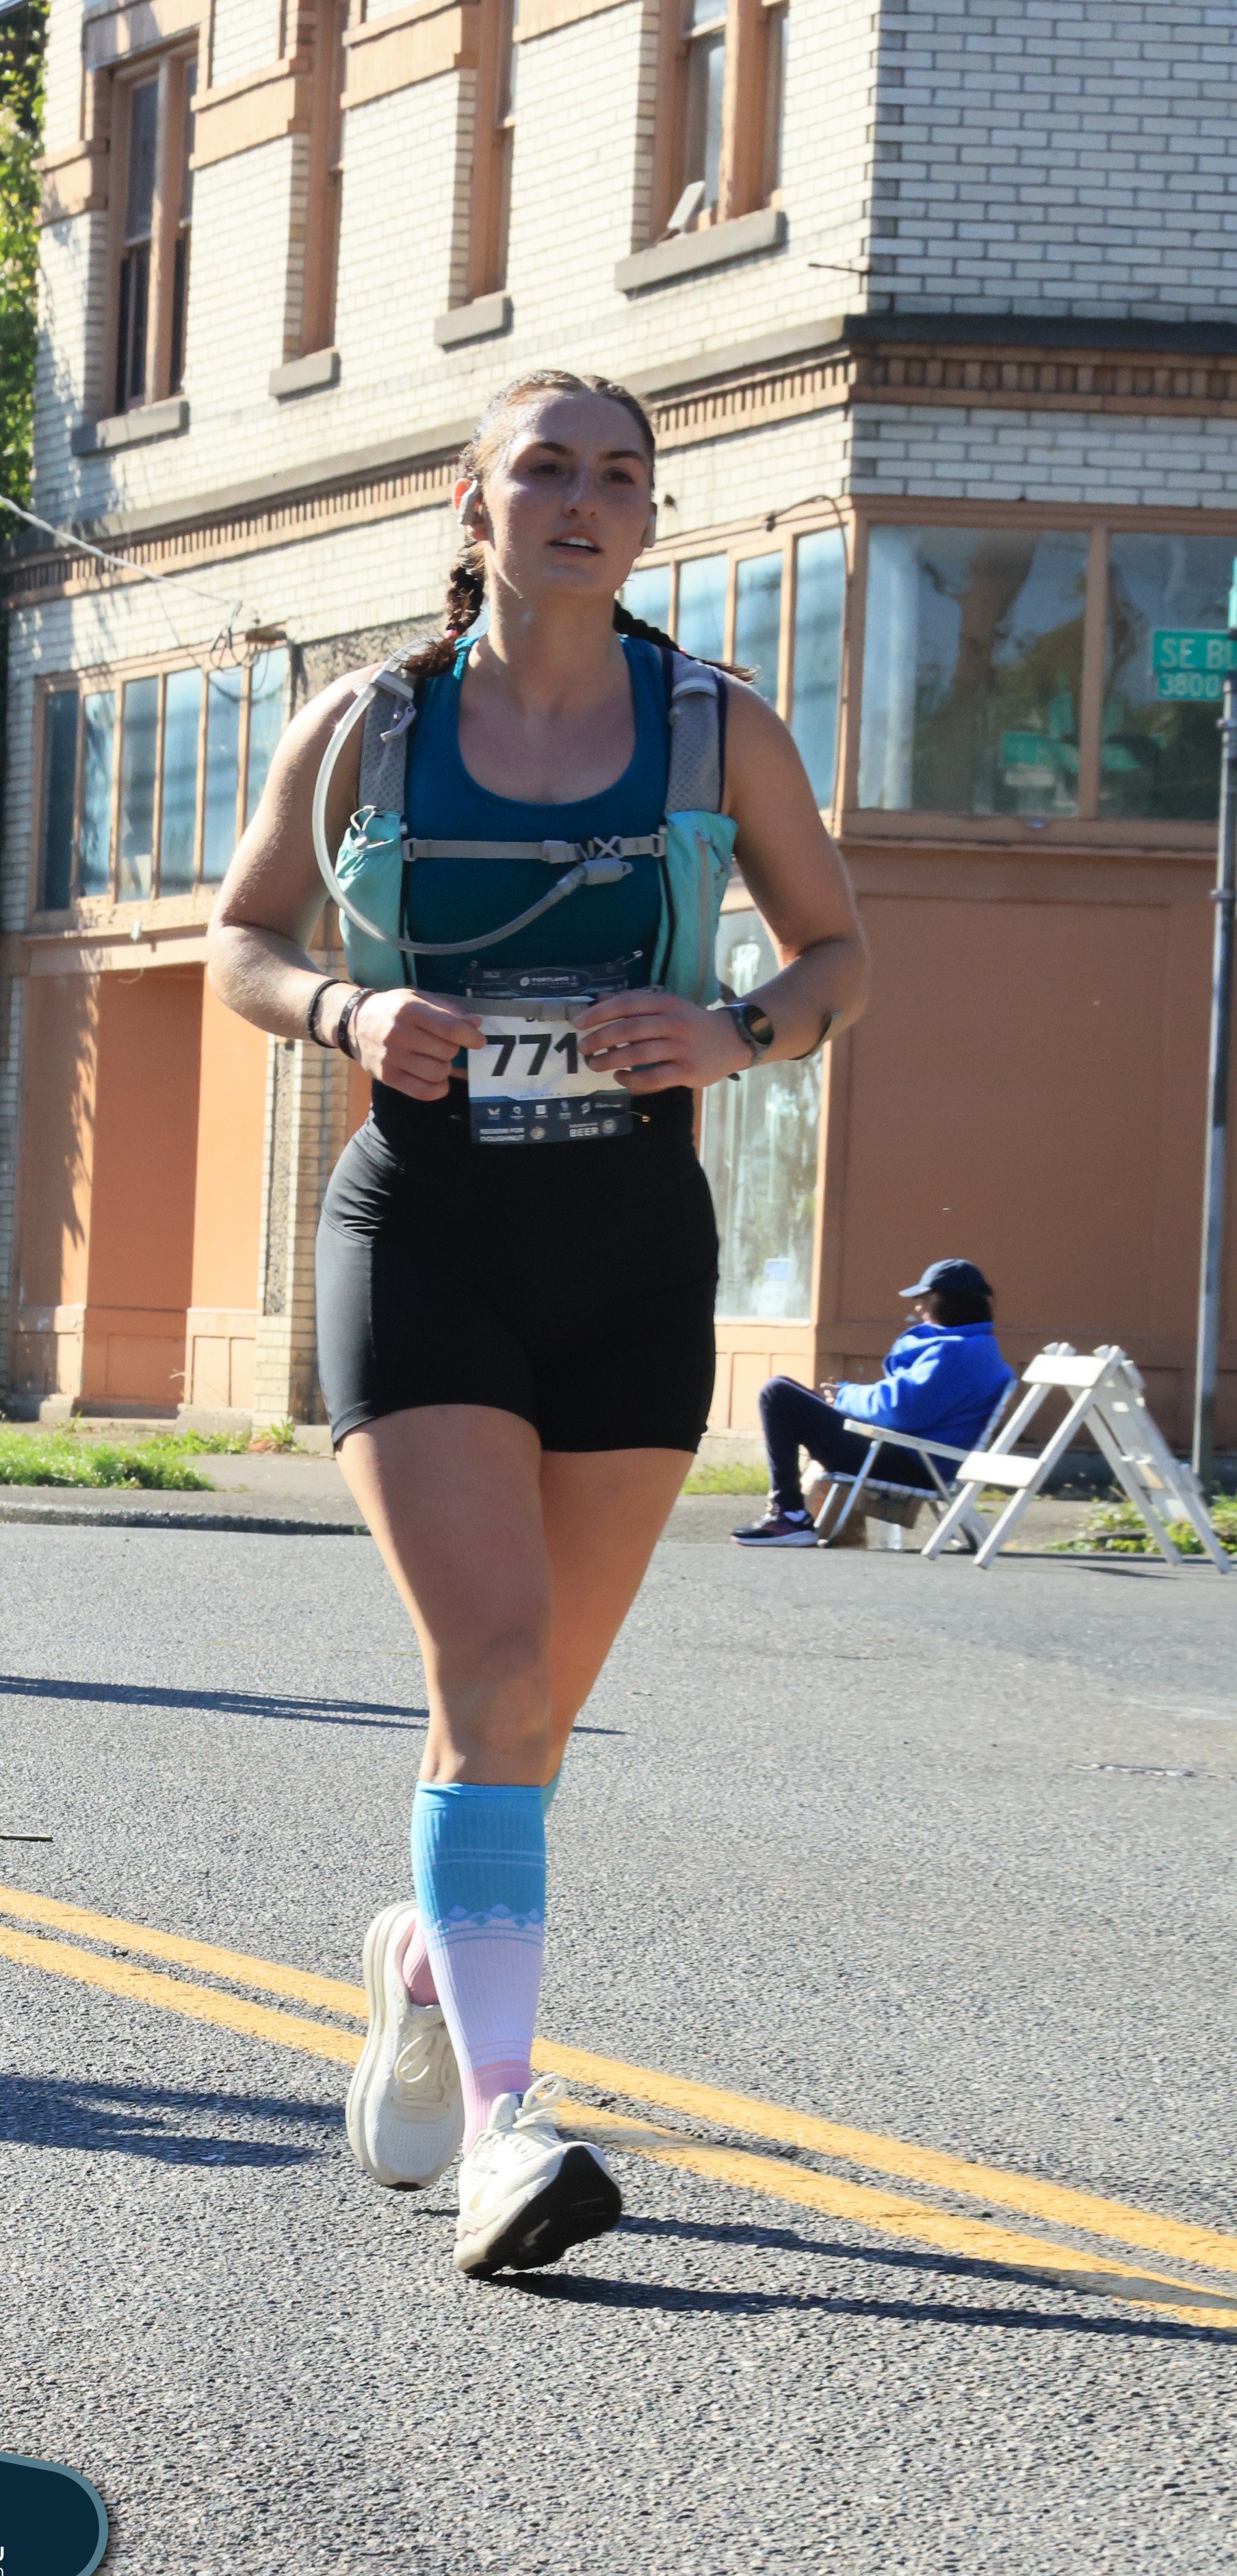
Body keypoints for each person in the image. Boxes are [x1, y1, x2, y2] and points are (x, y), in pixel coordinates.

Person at [209, 369, 869, 2278]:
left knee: (526, 1717)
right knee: (493, 1668)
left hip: (633, 1248)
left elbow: (837, 953)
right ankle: (509, 2131)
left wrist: (732, 1031)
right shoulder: (369, 727)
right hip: (424, 1232)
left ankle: (425, 1965)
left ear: (649, 519)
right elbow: (244, 941)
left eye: (620, 477)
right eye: (546, 468)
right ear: (471, 501)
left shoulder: (715, 728)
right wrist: (347, 1012)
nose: (583, 500)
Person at [732, 1257, 1015, 1546]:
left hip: (908, 1463)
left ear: (947, 1301)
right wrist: (846, 1396)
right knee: (787, 1389)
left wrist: (845, 1396)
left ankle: (790, 1515)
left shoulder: (958, 1353)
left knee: (777, 1393)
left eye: (924, 1299)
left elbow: (898, 1409)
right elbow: (906, 1401)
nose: (918, 1308)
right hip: (910, 1456)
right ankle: (789, 1514)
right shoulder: (976, 1348)